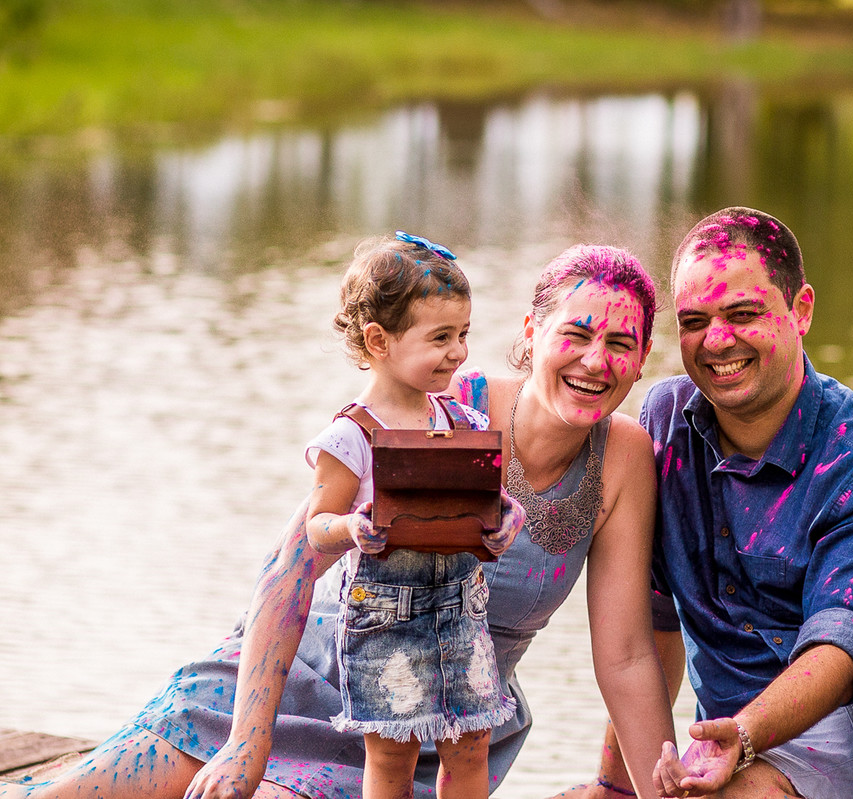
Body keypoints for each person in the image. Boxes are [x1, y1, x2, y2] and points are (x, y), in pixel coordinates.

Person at [0, 244, 676, 799]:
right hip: (291, 672)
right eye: (577, 333)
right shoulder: (444, 404)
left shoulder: (621, 457)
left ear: (643, 356)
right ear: (532, 334)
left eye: (621, 342)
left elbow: (625, 654)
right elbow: (289, 567)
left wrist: (658, 792)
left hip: (423, 720)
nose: (597, 360)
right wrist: (247, 740)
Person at [574, 207, 853, 799]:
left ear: (802, 311)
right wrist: (614, 786)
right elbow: (652, 631)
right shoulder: (664, 430)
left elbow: (839, 652)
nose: (717, 340)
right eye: (695, 320)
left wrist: (744, 731)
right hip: (767, 749)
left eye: (743, 314)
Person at [302, 231, 518, 799]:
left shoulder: (462, 422)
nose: (459, 352)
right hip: (385, 619)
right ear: (379, 339)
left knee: (472, 747)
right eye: (441, 337)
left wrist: (505, 521)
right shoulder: (352, 436)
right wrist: (351, 527)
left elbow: (492, 502)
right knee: (393, 755)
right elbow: (316, 528)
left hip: (462, 614)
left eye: (464, 334)